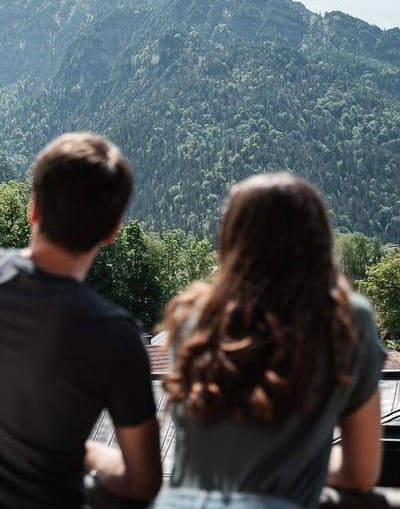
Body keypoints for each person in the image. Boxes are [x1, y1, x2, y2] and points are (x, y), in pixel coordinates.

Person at [0, 132, 162, 508]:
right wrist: (82, 452)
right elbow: (143, 481)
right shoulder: (114, 336)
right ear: (112, 231)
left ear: (33, 208)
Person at [155, 173, 386, 509]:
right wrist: (304, 466)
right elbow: (361, 473)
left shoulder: (195, 316)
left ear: (230, 238)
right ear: (319, 241)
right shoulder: (344, 318)